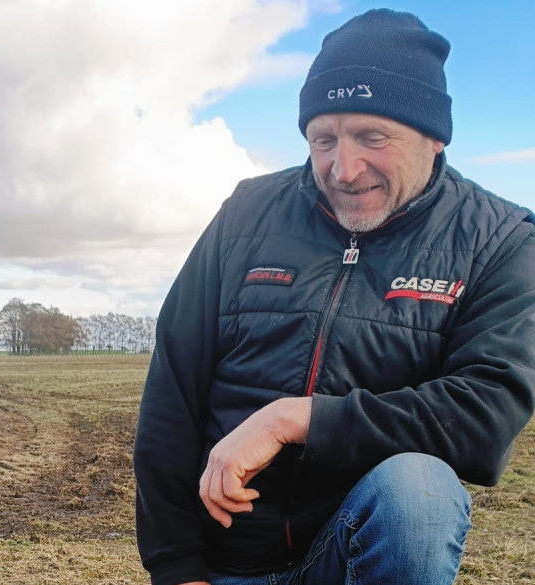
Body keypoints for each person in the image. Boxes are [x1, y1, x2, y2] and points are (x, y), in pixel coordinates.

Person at [133, 8, 535, 585]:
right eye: (323, 139)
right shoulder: (244, 214)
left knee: (419, 489)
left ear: (434, 136)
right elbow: (172, 390)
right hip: (228, 563)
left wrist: (296, 420)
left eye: (372, 137)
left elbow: (486, 412)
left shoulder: (499, 239)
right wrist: (176, 570)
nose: (344, 169)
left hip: (355, 554)